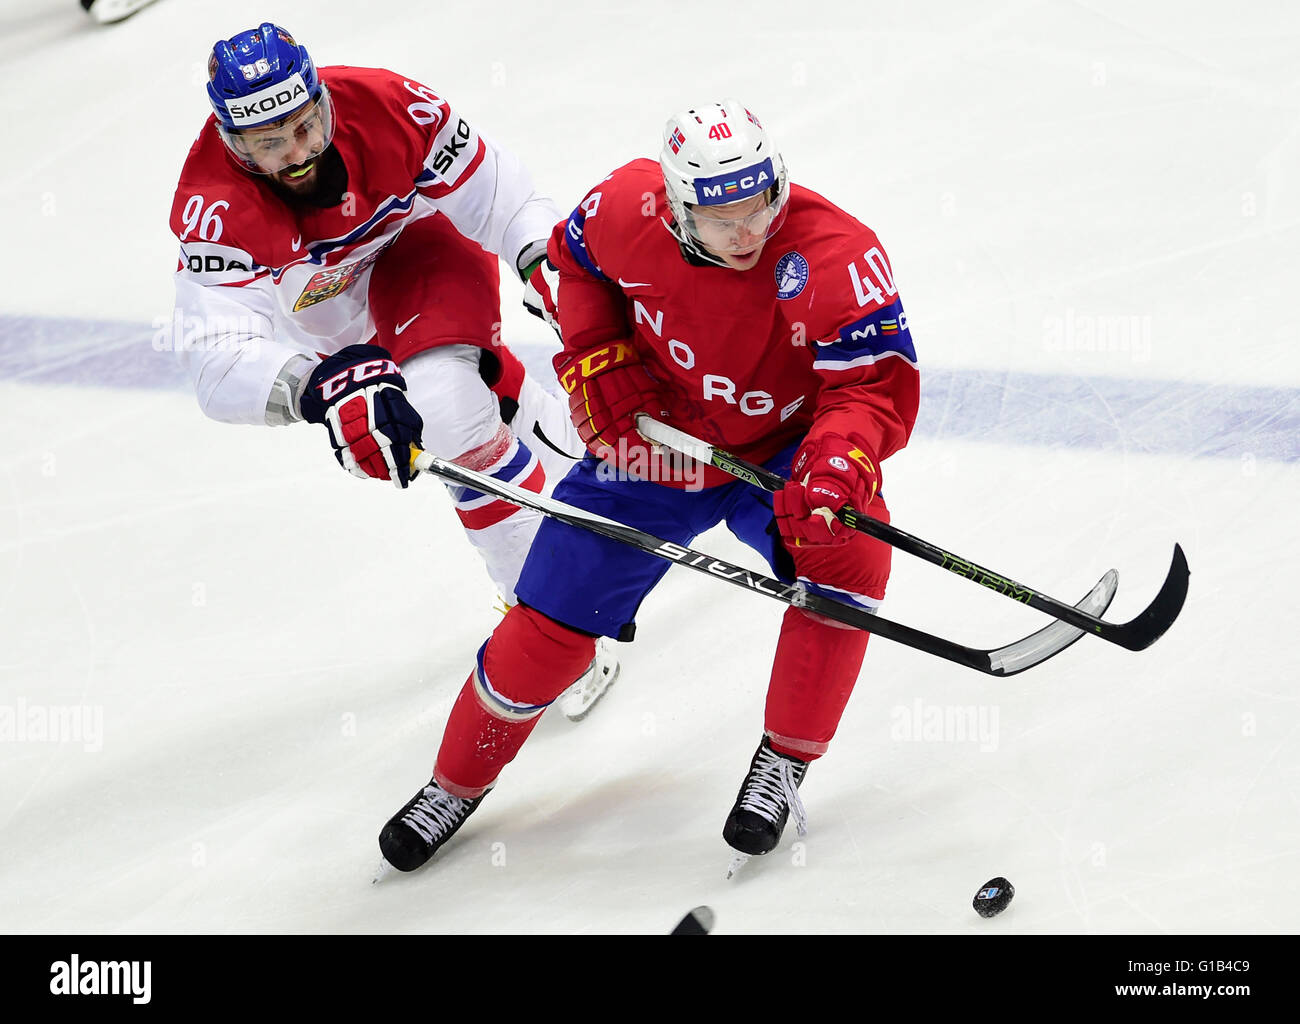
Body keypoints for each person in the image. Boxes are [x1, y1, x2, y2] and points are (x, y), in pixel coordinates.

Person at [377, 99, 920, 872]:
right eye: (721, 215)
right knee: (553, 612)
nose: (748, 231)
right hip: (660, 443)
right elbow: (577, 266)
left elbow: (870, 387)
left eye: (761, 202)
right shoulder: (626, 207)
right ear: (673, 207)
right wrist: (596, 357)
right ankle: (455, 782)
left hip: (785, 450)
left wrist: (835, 463)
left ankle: (783, 763)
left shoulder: (836, 254)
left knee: (845, 565)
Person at [167, 23, 615, 717]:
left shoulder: (391, 107)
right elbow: (216, 358)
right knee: (465, 407)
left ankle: (556, 617)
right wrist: (318, 389)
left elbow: (506, 198)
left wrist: (543, 263)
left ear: (321, 98)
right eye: (270, 143)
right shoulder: (213, 207)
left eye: (306, 124)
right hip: (329, 332)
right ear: (232, 141)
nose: (300, 153)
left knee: (446, 411)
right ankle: (538, 418)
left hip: (419, 252)